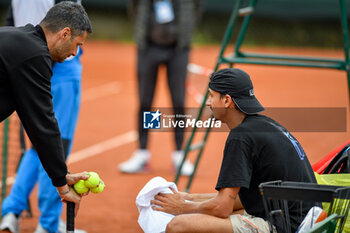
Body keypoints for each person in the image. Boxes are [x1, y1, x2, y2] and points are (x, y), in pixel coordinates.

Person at [150, 68, 317, 233]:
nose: (208, 103)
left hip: (287, 226)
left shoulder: (240, 136)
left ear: (227, 100)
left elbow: (222, 207)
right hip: (301, 218)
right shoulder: (264, 124)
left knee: (177, 225)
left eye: (211, 96)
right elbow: (240, 200)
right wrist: (189, 198)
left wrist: (182, 207)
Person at [0, 0, 92, 226]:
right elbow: (43, 124)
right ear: (65, 33)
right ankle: (47, 223)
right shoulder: (36, 56)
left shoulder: (18, 38)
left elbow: (35, 124)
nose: (74, 53)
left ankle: (11, 212)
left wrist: (60, 176)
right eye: (77, 44)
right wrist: (62, 183)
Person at [118, 0, 202, 176]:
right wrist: (143, 30)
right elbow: (133, 7)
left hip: (178, 49)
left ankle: (179, 155)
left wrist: (186, 29)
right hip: (148, 47)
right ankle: (142, 154)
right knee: (146, 101)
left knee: (178, 101)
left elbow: (197, 6)